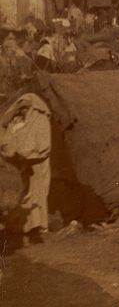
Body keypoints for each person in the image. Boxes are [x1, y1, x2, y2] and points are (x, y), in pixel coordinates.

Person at [0, 93, 52, 242]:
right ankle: (25, 226)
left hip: (37, 164)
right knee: (23, 195)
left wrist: (26, 153)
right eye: (21, 108)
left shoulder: (41, 121)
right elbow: (5, 134)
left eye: (25, 108)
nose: (22, 111)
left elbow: (44, 146)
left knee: (38, 194)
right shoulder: (17, 122)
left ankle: (39, 226)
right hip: (20, 164)